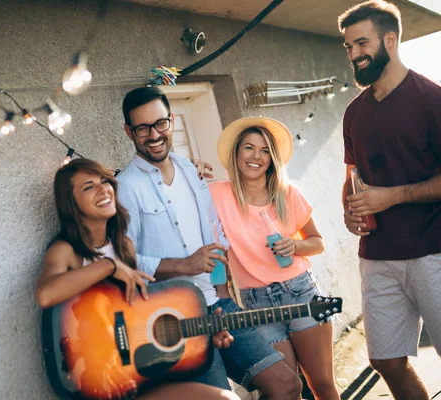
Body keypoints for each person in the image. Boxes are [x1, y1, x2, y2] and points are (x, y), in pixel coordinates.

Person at [116, 86, 302, 399]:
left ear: (172, 121)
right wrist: (183, 265)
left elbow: (212, 237)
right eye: (143, 128)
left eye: (160, 123)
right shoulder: (126, 187)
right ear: (128, 132)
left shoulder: (190, 169)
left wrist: (222, 289)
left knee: (287, 385)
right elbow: (123, 261)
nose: (154, 134)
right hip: (173, 319)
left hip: (218, 305)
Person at [35, 158, 241, 400]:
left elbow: (136, 319)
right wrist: (109, 266)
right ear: (70, 202)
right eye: (88, 187)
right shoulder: (65, 250)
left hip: (139, 376)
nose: (103, 190)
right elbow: (46, 294)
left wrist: (204, 335)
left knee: (227, 398)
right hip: (96, 380)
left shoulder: (124, 246)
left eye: (105, 181)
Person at [337, 1, 441, 399]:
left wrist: (391, 197)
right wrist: (349, 208)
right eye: (348, 47)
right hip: (377, 256)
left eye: (361, 43)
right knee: (386, 361)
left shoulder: (432, 99)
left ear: (391, 39)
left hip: (433, 249)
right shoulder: (353, 113)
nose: (354, 54)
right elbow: (352, 175)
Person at [208, 117, 339, 400]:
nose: (256, 156)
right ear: (237, 153)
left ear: (272, 158)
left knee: (323, 386)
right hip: (257, 304)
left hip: (301, 293)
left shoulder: (288, 193)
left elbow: (317, 242)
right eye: (249, 148)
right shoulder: (217, 194)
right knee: (285, 390)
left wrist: (294, 245)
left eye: (265, 150)